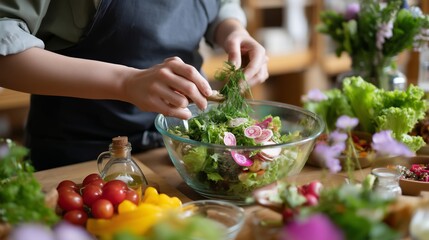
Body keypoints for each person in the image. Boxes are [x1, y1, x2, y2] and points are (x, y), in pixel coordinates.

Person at [0, 0, 269, 170]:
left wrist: (233, 30)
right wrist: (126, 82)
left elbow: (222, 6)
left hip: (178, 153)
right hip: (80, 159)